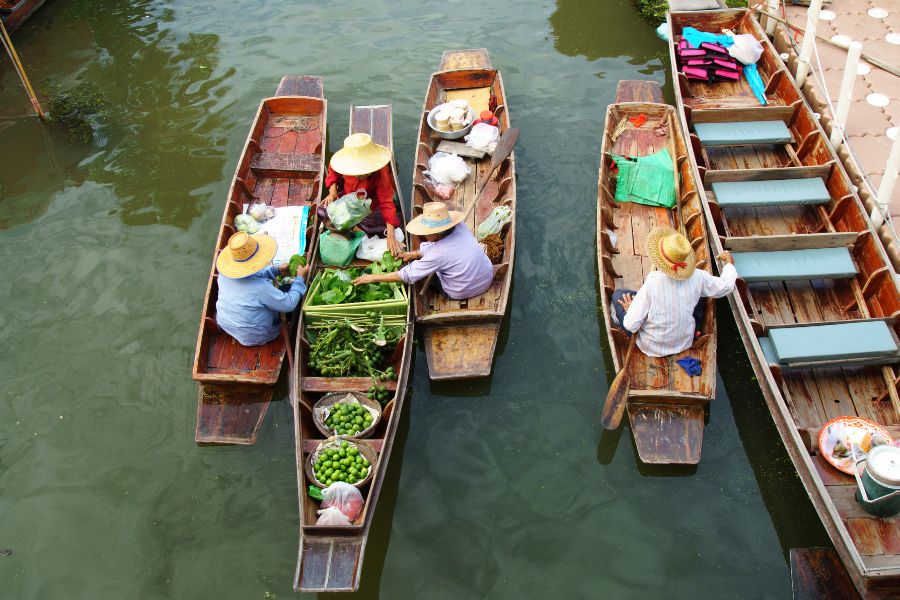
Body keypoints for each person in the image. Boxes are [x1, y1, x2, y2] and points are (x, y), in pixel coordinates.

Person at [611, 226, 736, 358]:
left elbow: (631, 325)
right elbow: (727, 286)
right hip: (684, 343)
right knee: (701, 293)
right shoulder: (698, 276)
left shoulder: (652, 283)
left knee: (618, 294)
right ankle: (696, 329)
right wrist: (729, 264)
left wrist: (630, 309)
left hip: (651, 346)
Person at [351, 202, 494, 300]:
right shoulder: (460, 227)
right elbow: (443, 246)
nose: (424, 235)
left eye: (426, 232)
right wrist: (414, 254)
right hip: (487, 277)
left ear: (436, 233)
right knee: (431, 262)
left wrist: (372, 278)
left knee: (419, 276)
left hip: (461, 291)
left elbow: (406, 275)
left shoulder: (437, 254)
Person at [215, 231, 309, 346]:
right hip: (257, 336)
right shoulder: (261, 288)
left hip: (227, 326)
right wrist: (300, 278)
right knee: (290, 289)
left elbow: (249, 275)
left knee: (275, 294)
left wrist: (276, 271)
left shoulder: (224, 275)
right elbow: (289, 305)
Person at [320, 133, 403, 256]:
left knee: (383, 224)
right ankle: (356, 228)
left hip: (370, 205)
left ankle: (357, 229)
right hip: (349, 199)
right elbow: (332, 170)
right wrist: (333, 192)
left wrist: (390, 236)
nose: (361, 176)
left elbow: (386, 202)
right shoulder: (344, 162)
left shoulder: (380, 171)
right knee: (322, 211)